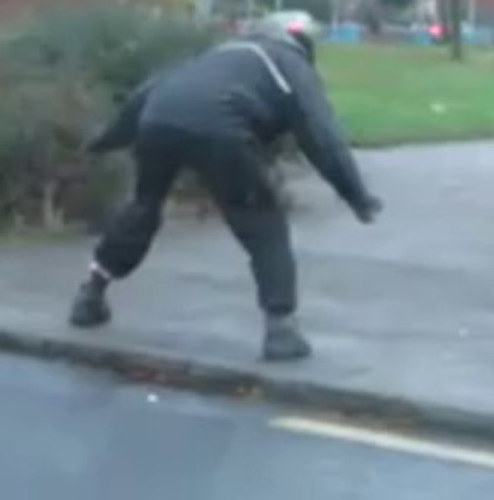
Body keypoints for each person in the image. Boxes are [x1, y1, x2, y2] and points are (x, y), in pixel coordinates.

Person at [68, 23, 381, 361]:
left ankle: (90, 296)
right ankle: (281, 330)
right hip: (222, 127)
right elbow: (321, 134)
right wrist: (356, 196)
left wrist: (102, 142)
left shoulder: (215, 56)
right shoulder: (290, 64)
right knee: (263, 222)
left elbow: (144, 96)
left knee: (144, 206)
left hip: (157, 119)